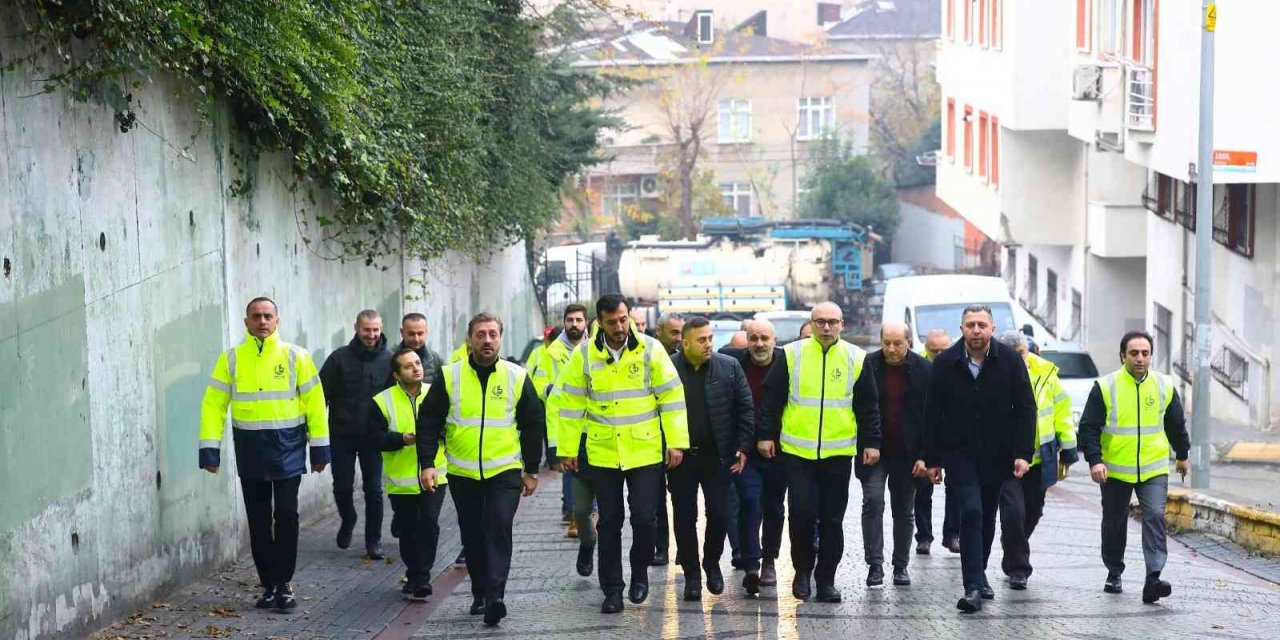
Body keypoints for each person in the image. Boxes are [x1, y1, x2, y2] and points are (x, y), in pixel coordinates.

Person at [557, 294, 689, 614]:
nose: (619, 327)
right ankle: (612, 589)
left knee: (645, 518)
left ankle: (640, 572)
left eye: (623, 319)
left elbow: (670, 397)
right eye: (612, 321)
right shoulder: (585, 354)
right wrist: (567, 449)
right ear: (599, 322)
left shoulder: (650, 349)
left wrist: (676, 442)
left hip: (644, 450)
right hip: (603, 451)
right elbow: (571, 403)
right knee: (610, 522)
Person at [200, 297, 329, 611]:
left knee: (286, 516)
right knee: (258, 521)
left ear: (277, 320)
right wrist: (210, 450)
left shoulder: (297, 356)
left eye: (267, 316)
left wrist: (320, 448)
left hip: (288, 447)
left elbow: (315, 402)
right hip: (250, 449)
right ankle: (269, 584)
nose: (262, 321)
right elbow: (213, 405)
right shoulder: (231, 359)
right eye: (256, 316)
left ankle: (284, 583)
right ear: (246, 322)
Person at [416, 313, 545, 626]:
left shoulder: (516, 376)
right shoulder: (450, 376)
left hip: (505, 471)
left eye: (492, 334)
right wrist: (428, 464)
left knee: (498, 527)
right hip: (463, 473)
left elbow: (532, 424)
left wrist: (531, 469)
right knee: (473, 534)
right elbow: (429, 422)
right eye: (480, 335)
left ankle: (495, 596)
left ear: (500, 338)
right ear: (469, 339)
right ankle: (479, 591)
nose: (487, 340)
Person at [759, 302, 881, 603]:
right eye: (820, 322)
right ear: (812, 324)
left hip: (837, 454)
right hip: (797, 453)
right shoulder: (791, 354)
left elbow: (868, 406)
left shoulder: (856, 357)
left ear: (842, 324)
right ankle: (802, 571)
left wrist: (872, 442)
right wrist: (765, 435)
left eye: (832, 322)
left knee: (831, 520)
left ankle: (826, 579)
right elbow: (771, 398)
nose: (826, 328)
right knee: (801, 514)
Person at [924, 305, 1036, 613]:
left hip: (996, 454)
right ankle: (972, 586)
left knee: (986, 515)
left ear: (992, 328)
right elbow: (931, 413)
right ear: (961, 329)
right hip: (958, 453)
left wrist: (1022, 454)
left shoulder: (1009, 361)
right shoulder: (946, 363)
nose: (976, 330)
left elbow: (1026, 409)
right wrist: (931, 458)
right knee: (970, 510)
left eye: (982, 325)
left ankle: (980, 573)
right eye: (971, 325)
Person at [1079, 331, 1190, 604]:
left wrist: (1182, 455)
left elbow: (1175, 423)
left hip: (1153, 469)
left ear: (1151, 356)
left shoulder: (1164, 385)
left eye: (1145, 353)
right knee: (1114, 522)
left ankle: (1153, 578)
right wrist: (1095, 460)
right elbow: (1088, 427)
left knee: (1153, 515)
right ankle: (1114, 571)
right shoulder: (1106, 387)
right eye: (1134, 353)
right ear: (1123, 356)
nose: (1140, 358)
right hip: (1114, 470)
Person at [668, 317, 755, 600]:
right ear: (685, 343)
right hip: (681, 458)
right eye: (701, 339)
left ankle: (711, 562)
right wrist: (667, 446)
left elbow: (745, 409)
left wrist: (743, 447)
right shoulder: (667, 369)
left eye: (710, 338)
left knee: (719, 513)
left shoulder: (728, 367)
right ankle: (692, 575)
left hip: (719, 456)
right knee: (684, 516)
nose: (708, 344)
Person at [997, 330, 1077, 584]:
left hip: (1040, 456)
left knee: (1033, 511)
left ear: (1027, 349)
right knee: (1012, 513)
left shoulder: (1046, 372)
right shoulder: (994, 372)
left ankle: (1012, 547)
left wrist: (1068, 448)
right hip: (1006, 459)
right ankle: (1019, 568)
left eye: (1020, 353)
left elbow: (1061, 411)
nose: (1017, 359)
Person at [858, 322, 932, 588]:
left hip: (908, 454)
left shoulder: (924, 370)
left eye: (897, 343)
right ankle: (874, 565)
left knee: (904, 510)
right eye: (886, 342)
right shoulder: (868, 364)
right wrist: (868, 442)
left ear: (909, 342)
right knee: (873, 502)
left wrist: (925, 456)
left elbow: (930, 418)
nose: (890, 348)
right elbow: (862, 408)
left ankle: (900, 566)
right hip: (874, 451)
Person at [372, 349, 448, 602]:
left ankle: (422, 577)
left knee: (428, 522)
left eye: (417, 363)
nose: (416, 368)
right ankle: (414, 573)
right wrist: (402, 439)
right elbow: (374, 438)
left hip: (435, 473)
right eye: (407, 366)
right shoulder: (382, 401)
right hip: (401, 480)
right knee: (408, 530)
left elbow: (451, 424)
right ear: (396, 374)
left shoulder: (436, 393)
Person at [320, 310, 392, 560]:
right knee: (342, 486)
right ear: (356, 328)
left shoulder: (390, 360)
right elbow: (321, 397)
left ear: (381, 328)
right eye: (366, 330)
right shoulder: (338, 358)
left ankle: (373, 540)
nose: (371, 335)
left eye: (375, 329)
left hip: (373, 437)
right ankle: (348, 519)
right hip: (342, 435)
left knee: (374, 490)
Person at [723, 320, 788, 592]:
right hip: (744, 450)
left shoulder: (788, 362)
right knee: (749, 501)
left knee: (773, 506)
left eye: (764, 338)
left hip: (779, 449)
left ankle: (769, 560)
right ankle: (751, 564)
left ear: (775, 340)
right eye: (753, 338)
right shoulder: (733, 363)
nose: (759, 344)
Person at [532, 305, 590, 536]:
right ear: (564, 322)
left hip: (594, 420)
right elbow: (537, 385)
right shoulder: (552, 353)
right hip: (565, 421)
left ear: (585, 322)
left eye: (578, 320)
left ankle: (584, 513)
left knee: (593, 471)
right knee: (571, 468)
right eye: (570, 320)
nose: (574, 324)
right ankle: (575, 514)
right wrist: (556, 390)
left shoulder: (595, 348)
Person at [917, 328, 959, 554]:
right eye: (934, 351)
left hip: (952, 436)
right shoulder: (919, 367)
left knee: (956, 487)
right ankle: (924, 536)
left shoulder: (958, 364)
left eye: (944, 349)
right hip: (926, 435)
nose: (939, 354)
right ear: (925, 348)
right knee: (923, 489)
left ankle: (952, 534)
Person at [651, 312, 684, 566]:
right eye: (674, 333)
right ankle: (660, 547)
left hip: (676, 439)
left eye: (682, 333)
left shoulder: (685, 359)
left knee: (681, 496)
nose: (680, 338)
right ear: (659, 331)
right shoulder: (647, 355)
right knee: (655, 498)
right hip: (650, 438)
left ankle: (683, 547)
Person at [391, 312, 444, 385]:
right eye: (411, 334)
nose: (416, 339)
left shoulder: (436, 360)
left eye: (420, 334)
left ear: (426, 332)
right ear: (402, 332)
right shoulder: (389, 357)